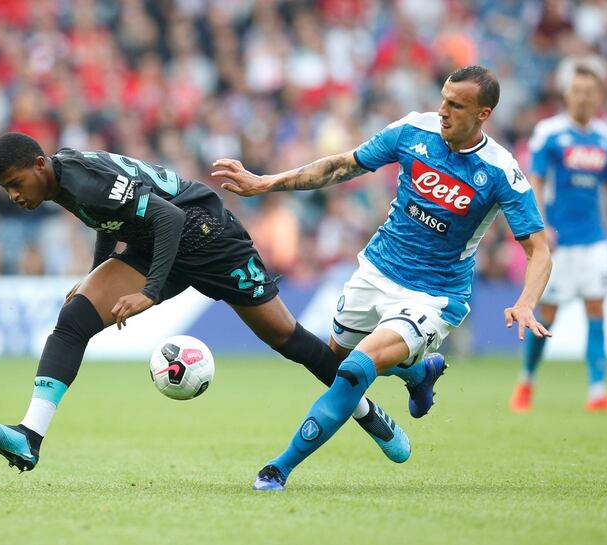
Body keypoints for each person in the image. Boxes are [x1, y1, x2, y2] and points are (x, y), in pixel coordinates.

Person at [0, 133, 441, 471]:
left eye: (16, 183)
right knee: (73, 321)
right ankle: (30, 436)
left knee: (288, 339)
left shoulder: (82, 179)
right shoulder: (64, 178)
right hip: (156, 240)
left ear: (39, 165)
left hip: (206, 235)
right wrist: (95, 274)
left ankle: (373, 412)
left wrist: (150, 292)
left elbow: (169, 216)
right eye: (7, 189)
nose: (13, 196)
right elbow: (108, 222)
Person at [211, 65, 552, 491]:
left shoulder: (501, 171)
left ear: (484, 114)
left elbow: (538, 247)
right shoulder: (413, 131)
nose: (443, 110)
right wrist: (266, 183)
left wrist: (526, 301)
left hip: (434, 296)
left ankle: (278, 469)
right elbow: (342, 166)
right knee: (333, 366)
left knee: (355, 370)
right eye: (443, 99)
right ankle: (413, 378)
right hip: (376, 271)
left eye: (456, 105)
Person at [509, 64, 607, 413]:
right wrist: (541, 226)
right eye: (577, 90)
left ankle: (598, 392)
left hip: (594, 240)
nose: (583, 96)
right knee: (547, 313)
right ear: (567, 94)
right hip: (558, 243)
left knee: (597, 308)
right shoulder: (549, 133)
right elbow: (537, 182)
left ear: (598, 96)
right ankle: (526, 383)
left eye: (589, 91)